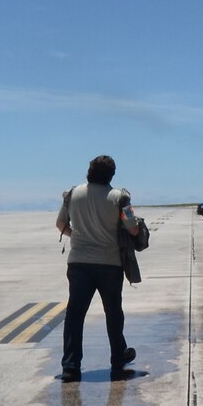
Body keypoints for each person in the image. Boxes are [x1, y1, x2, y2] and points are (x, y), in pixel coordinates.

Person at [55, 155, 139, 382]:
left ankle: (70, 366)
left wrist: (78, 237)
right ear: (111, 175)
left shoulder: (72, 194)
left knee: (74, 315)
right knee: (113, 313)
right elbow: (132, 229)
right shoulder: (121, 197)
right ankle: (118, 357)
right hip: (109, 263)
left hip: (79, 263)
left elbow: (61, 224)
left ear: (89, 171)